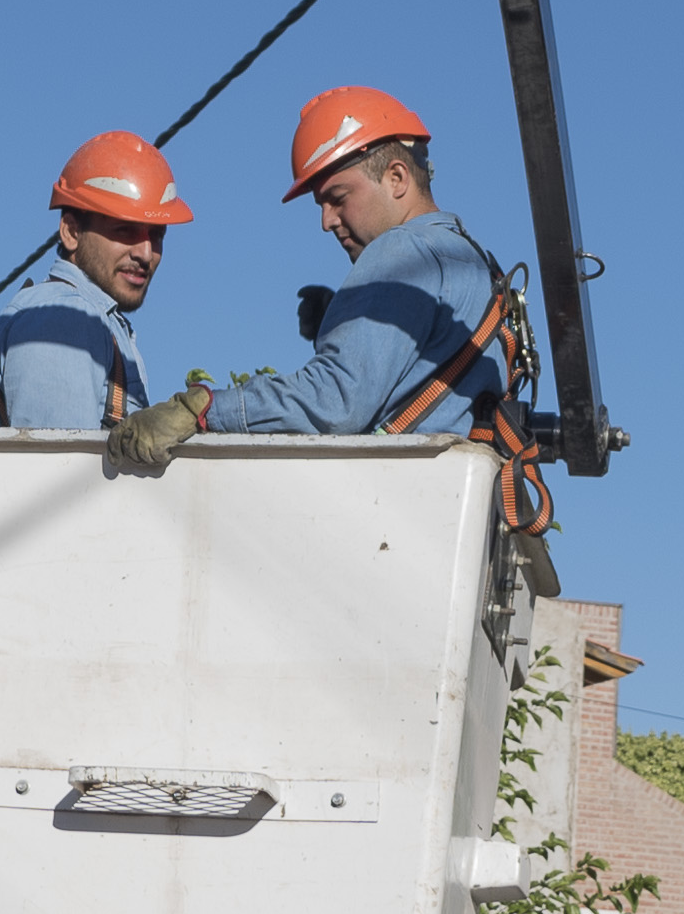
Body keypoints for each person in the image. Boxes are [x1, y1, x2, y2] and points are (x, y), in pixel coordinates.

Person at [104, 82, 558, 582]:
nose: (326, 221)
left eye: (338, 199)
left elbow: (336, 403)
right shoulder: (472, 261)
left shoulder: (399, 255)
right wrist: (344, 320)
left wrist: (204, 407)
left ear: (397, 177)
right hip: (445, 539)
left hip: (391, 534)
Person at [0, 129, 191, 428]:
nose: (145, 252)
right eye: (124, 230)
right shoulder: (65, 320)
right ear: (71, 232)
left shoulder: (95, 321)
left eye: (156, 235)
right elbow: (59, 469)